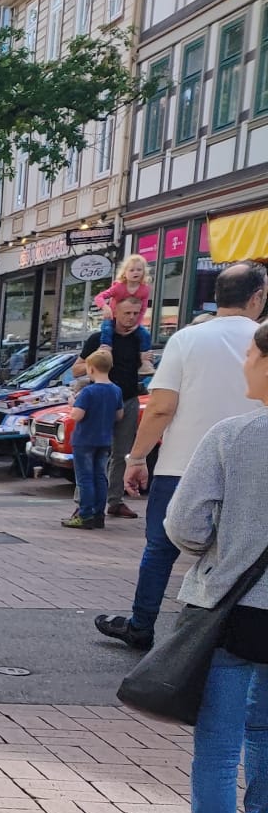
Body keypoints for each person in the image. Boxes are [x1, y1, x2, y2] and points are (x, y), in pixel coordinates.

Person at [97, 261, 268, 650]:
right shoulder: (261, 339)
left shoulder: (187, 339)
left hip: (181, 464)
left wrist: (137, 458)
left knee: (161, 547)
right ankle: (220, 633)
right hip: (254, 467)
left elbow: (161, 407)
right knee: (245, 552)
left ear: (217, 295)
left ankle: (142, 623)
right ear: (257, 297)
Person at [165, 319, 268, 813]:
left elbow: (185, 524)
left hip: (236, 608)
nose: (245, 361)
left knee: (220, 744)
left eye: (251, 353)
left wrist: (218, 551)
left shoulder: (233, 436)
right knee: (267, 730)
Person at [80, 295, 151, 519]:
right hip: (101, 402)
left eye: (136, 313)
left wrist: (145, 363)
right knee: (92, 450)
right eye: (126, 313)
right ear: (115, 312)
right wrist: (95, 365)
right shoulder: (99, 338)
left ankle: (115, 501)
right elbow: (77, 369)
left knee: (121, 453)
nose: (131, 318)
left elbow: (143, 368)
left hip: (128, 398)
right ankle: (83, 504)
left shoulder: (140, 339)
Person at [62, 350, 121, 530]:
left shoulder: (88, 391)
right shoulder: (116, 390)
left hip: (84, 439)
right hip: (104, 439)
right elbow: (119, 415)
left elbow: (77, 415)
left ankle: (85, 515)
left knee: (85, 478)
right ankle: (98, 515)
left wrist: (73, 403)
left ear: (91, 369)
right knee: (100, 477)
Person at [93, 253, 154, 333]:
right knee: (107, 331)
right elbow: (98, 297)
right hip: (113, 319)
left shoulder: (144, 290)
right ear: (125, 273)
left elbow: (143, 309)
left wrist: (137, 324)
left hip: (131, 321)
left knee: (145, 335)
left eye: (139, 270)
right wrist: (105, 307)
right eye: (132, 270)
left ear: (144, 272)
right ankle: (106, 341)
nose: (136, 272)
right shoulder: (118, 287)